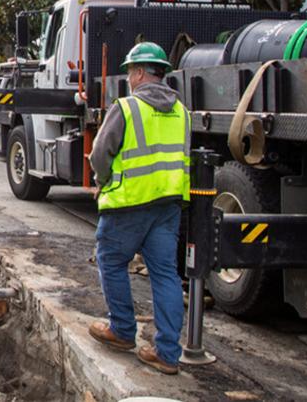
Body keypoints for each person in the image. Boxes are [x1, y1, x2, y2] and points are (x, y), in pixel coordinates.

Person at [86, 41, 190, 375]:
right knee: (166, 275)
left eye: (131, 71)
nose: (129, 77)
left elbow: (100, 153)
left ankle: (121, 331)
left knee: (111, 260)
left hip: (130, 202)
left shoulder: (127, 107)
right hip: (168, 203)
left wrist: (101, 180)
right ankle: (168, 354)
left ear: (141, 72)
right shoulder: (181, 111)